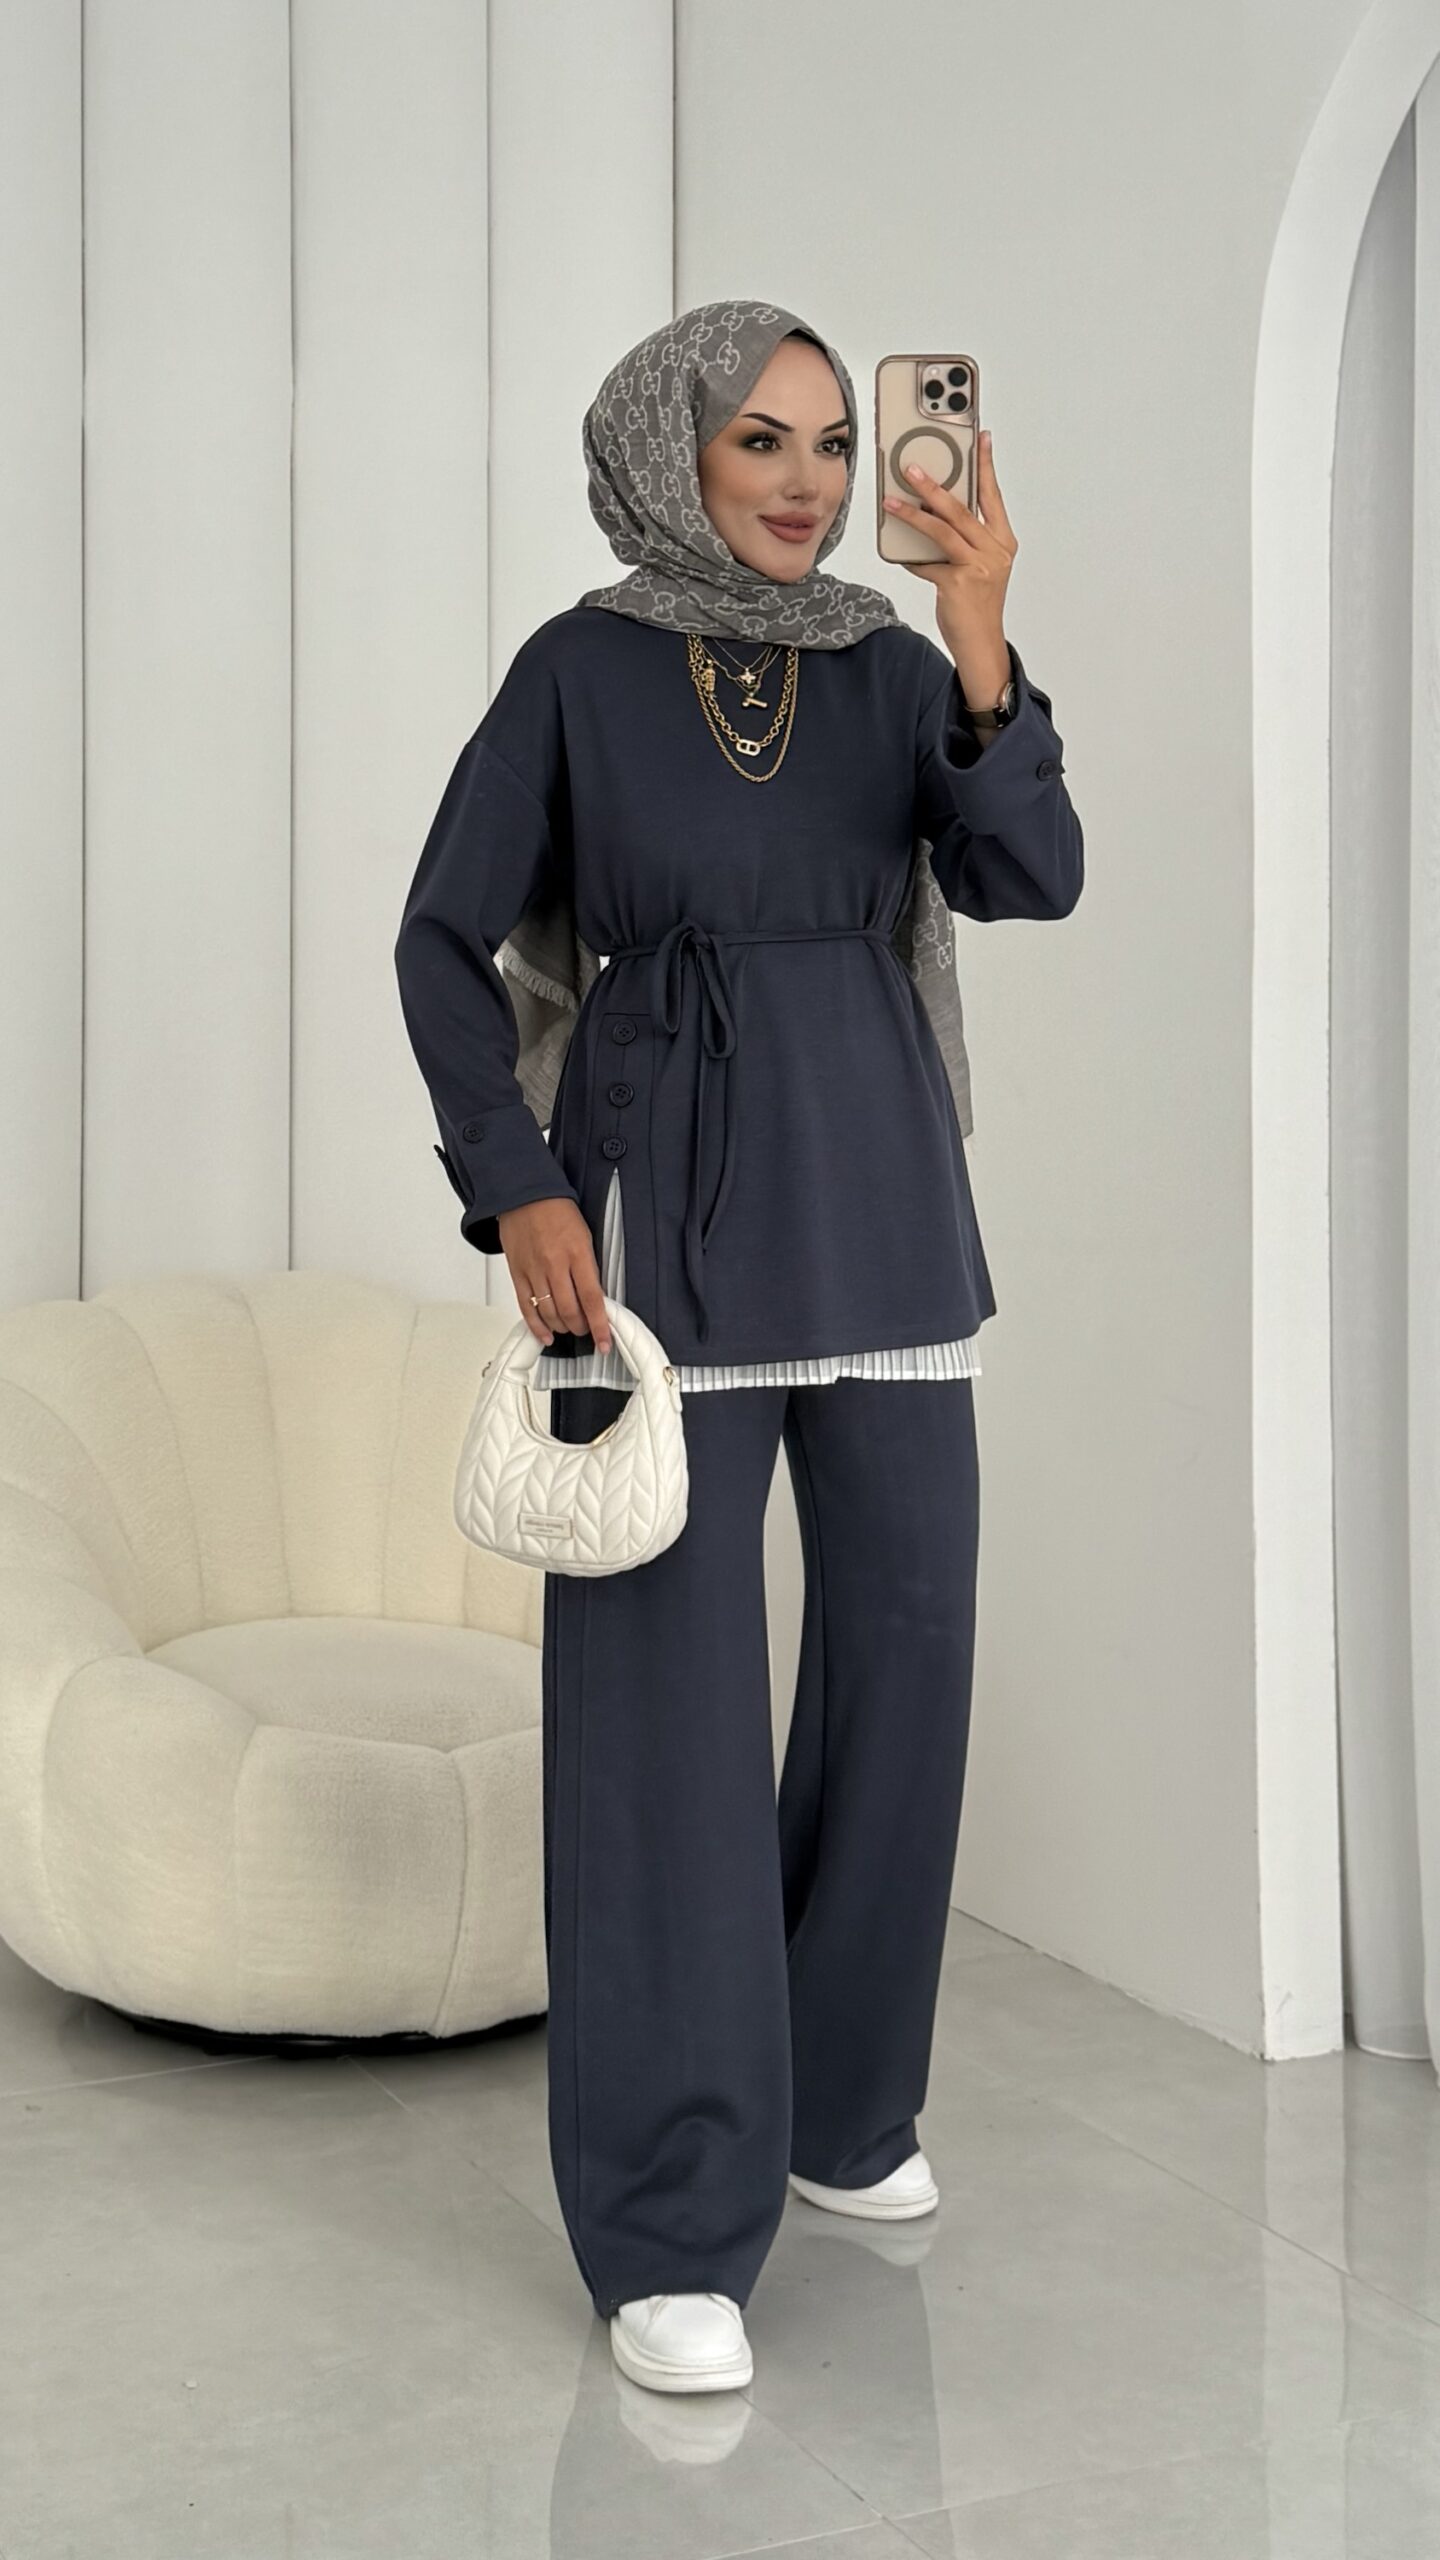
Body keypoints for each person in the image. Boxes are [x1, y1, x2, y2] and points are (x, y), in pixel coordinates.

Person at [393, 298, 1083, 2396]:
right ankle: (668, 2212)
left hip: (884, 1213)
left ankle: (840, 2107)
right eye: (760, 439)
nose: (808, 480)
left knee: (907, 1663)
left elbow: (1032, 873)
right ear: (670, 449)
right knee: (665, 1724)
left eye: (831, 443)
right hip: (659, 1237)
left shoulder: (892, 665)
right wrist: (517, 1185)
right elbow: (439, 936)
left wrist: (980, 629)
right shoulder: (578, 671)